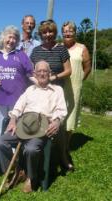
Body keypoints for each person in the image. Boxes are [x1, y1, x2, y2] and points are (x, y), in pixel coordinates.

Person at [0, 60, 67, 193]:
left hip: (41, 126)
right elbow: (18, 106)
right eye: (39, 71)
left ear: (50, 73)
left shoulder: (57, 90)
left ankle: (30, 177)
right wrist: (13, 119)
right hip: (23, 124)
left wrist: (56, 121)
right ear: (35, 73)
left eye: (45, 71)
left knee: (31, 149)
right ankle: (16, 170)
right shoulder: (29, 90)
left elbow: (61, 110)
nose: (42, 73)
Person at [30, 19, 72, 170]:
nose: (47, 34)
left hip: (57, 91)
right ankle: (38, 153)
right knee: (40, 120)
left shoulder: (61, 49)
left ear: (55, 33)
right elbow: (32, 71)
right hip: (41, 92)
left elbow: (68, 70)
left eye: (50, 31)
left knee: (58, 124)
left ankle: (62, 156)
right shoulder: (36, 51)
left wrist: (54, 78)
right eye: (44, 32)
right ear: (40, 34)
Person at [0, 25, 34, 138]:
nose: (11, 40)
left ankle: (13, 153)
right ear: (3, 37)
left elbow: (31, 74)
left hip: (16, 100)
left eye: (15, 38)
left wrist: (41, 83)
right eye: (9, 37)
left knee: (14, 130)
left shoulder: (21, 55)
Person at [62, 21, 91, 156]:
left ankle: (65, 146)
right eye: (65, 31)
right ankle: (56, 143)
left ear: (75, 32)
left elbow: (87, 67)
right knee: (59, 114)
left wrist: (79, 80)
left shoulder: (82, 48)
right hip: (60, 86)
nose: (68, 33)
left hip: (74, 87)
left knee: (71, 116)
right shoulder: (59, 47)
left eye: (70, 31)